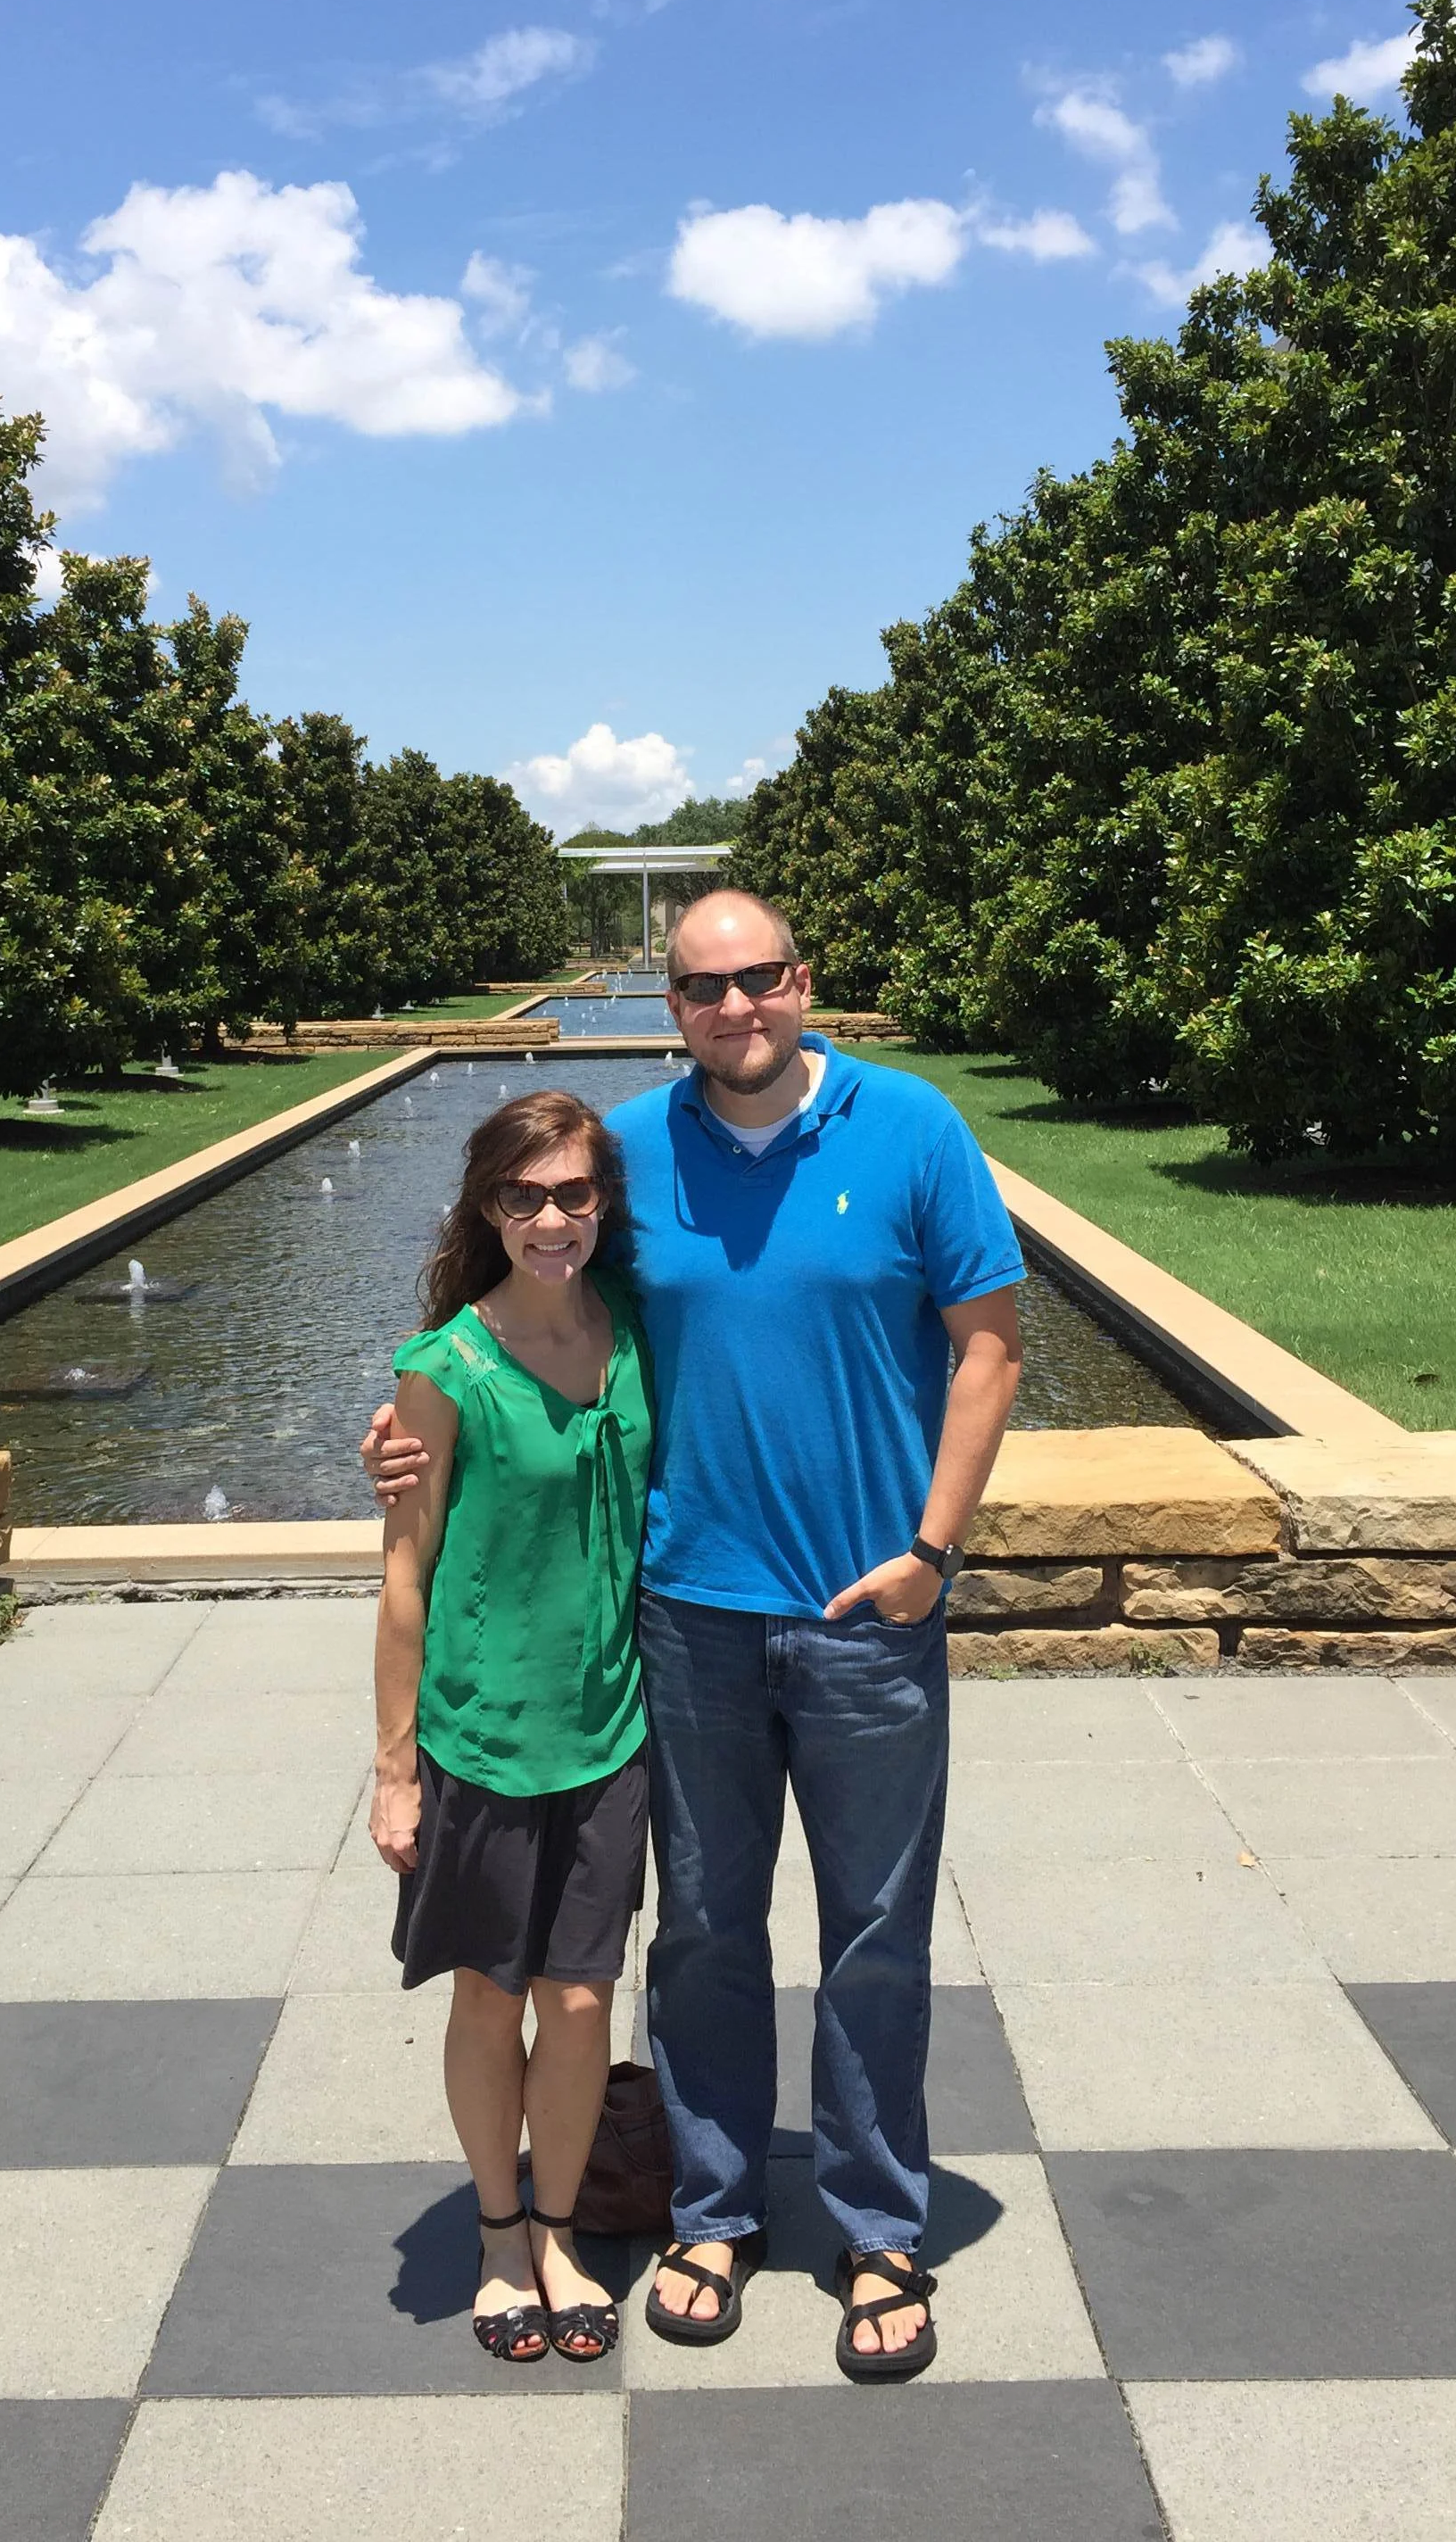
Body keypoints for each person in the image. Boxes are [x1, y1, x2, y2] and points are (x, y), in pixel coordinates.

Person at [366, 890, 1023, 2381]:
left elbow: (989, 1347)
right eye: (703, 986)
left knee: (874, 1939)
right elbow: (518, 1311)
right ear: (671, 1004)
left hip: (869, 1620)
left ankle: (875, 2228)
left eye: (760, 978)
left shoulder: (914, 1130)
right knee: (708, 1936)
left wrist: (933, 1552)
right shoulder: (633, 1154)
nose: (736, 1007)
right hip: (691, 1620)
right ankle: (716, 2213)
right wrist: (411, 1432)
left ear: (804, 982)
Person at [369, 1087, 651, 2368]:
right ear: (490, 1208)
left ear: (605, 1202)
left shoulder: (637, 1334)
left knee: (583, 2000)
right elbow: (404, 1580)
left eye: (575, 1193)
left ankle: (557, 2233)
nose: (552, 1218)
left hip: (610, 1733)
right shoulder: (443, 1371)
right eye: (525, 1197)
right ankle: (495, 2237)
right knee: (491, 1997)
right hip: (481, 1739)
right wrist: (393, 1774)